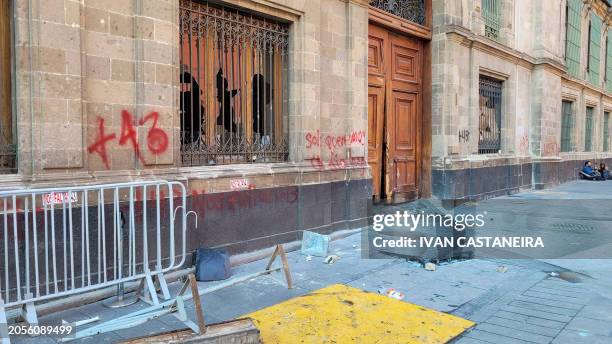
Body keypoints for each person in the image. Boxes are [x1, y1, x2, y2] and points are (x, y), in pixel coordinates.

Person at [216, 69, 239, 134]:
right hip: (227, 109)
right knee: (228, 119)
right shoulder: (223, 93)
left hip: (226, 109)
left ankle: (231, 131)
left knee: (227, 119)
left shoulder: (223, 93)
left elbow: (229, 94)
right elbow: (229, 94)